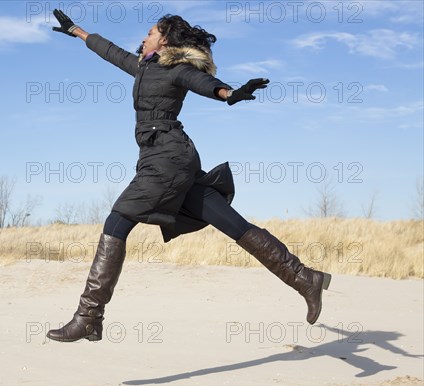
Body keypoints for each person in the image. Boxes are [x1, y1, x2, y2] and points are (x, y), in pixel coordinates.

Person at [46, 9, 331, 342]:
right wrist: (78, 31)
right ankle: (304, 278)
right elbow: (111, 52)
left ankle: (89, 316)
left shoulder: (176, 70)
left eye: (150, 32)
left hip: (166, 159)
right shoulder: (143, 67)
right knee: (233, 224)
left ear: (164, 39)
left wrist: (230, 94)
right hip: (170, 159)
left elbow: (204, 83)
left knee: (118, 220)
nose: (143, 37)